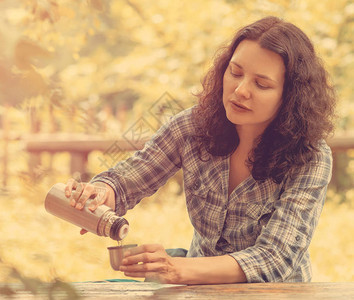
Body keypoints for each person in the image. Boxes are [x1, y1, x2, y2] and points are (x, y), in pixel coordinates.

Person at [64, 16, 336, 284]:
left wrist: (176, 269)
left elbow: (275, 258)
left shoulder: (310, 156)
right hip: (198, 289)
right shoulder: (192, 127)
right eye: (235, 72)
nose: (240, 90)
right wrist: (100, 192)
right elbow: (128, 179)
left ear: (290, 96)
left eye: (261, 84)